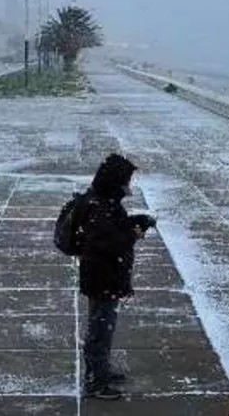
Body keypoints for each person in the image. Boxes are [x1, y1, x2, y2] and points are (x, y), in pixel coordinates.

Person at [78, 153, 156, 400]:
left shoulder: (105, 201)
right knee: (100, 330)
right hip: (102, 279)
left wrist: (138, 221)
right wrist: (134, 233)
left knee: (104, 328)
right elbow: (109, 243)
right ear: (115, 182)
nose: (128, 188)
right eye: (126, 182)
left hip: (105, 277)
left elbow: (114, 228)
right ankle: (94, 382)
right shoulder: (99, 206)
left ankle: (101, 371)